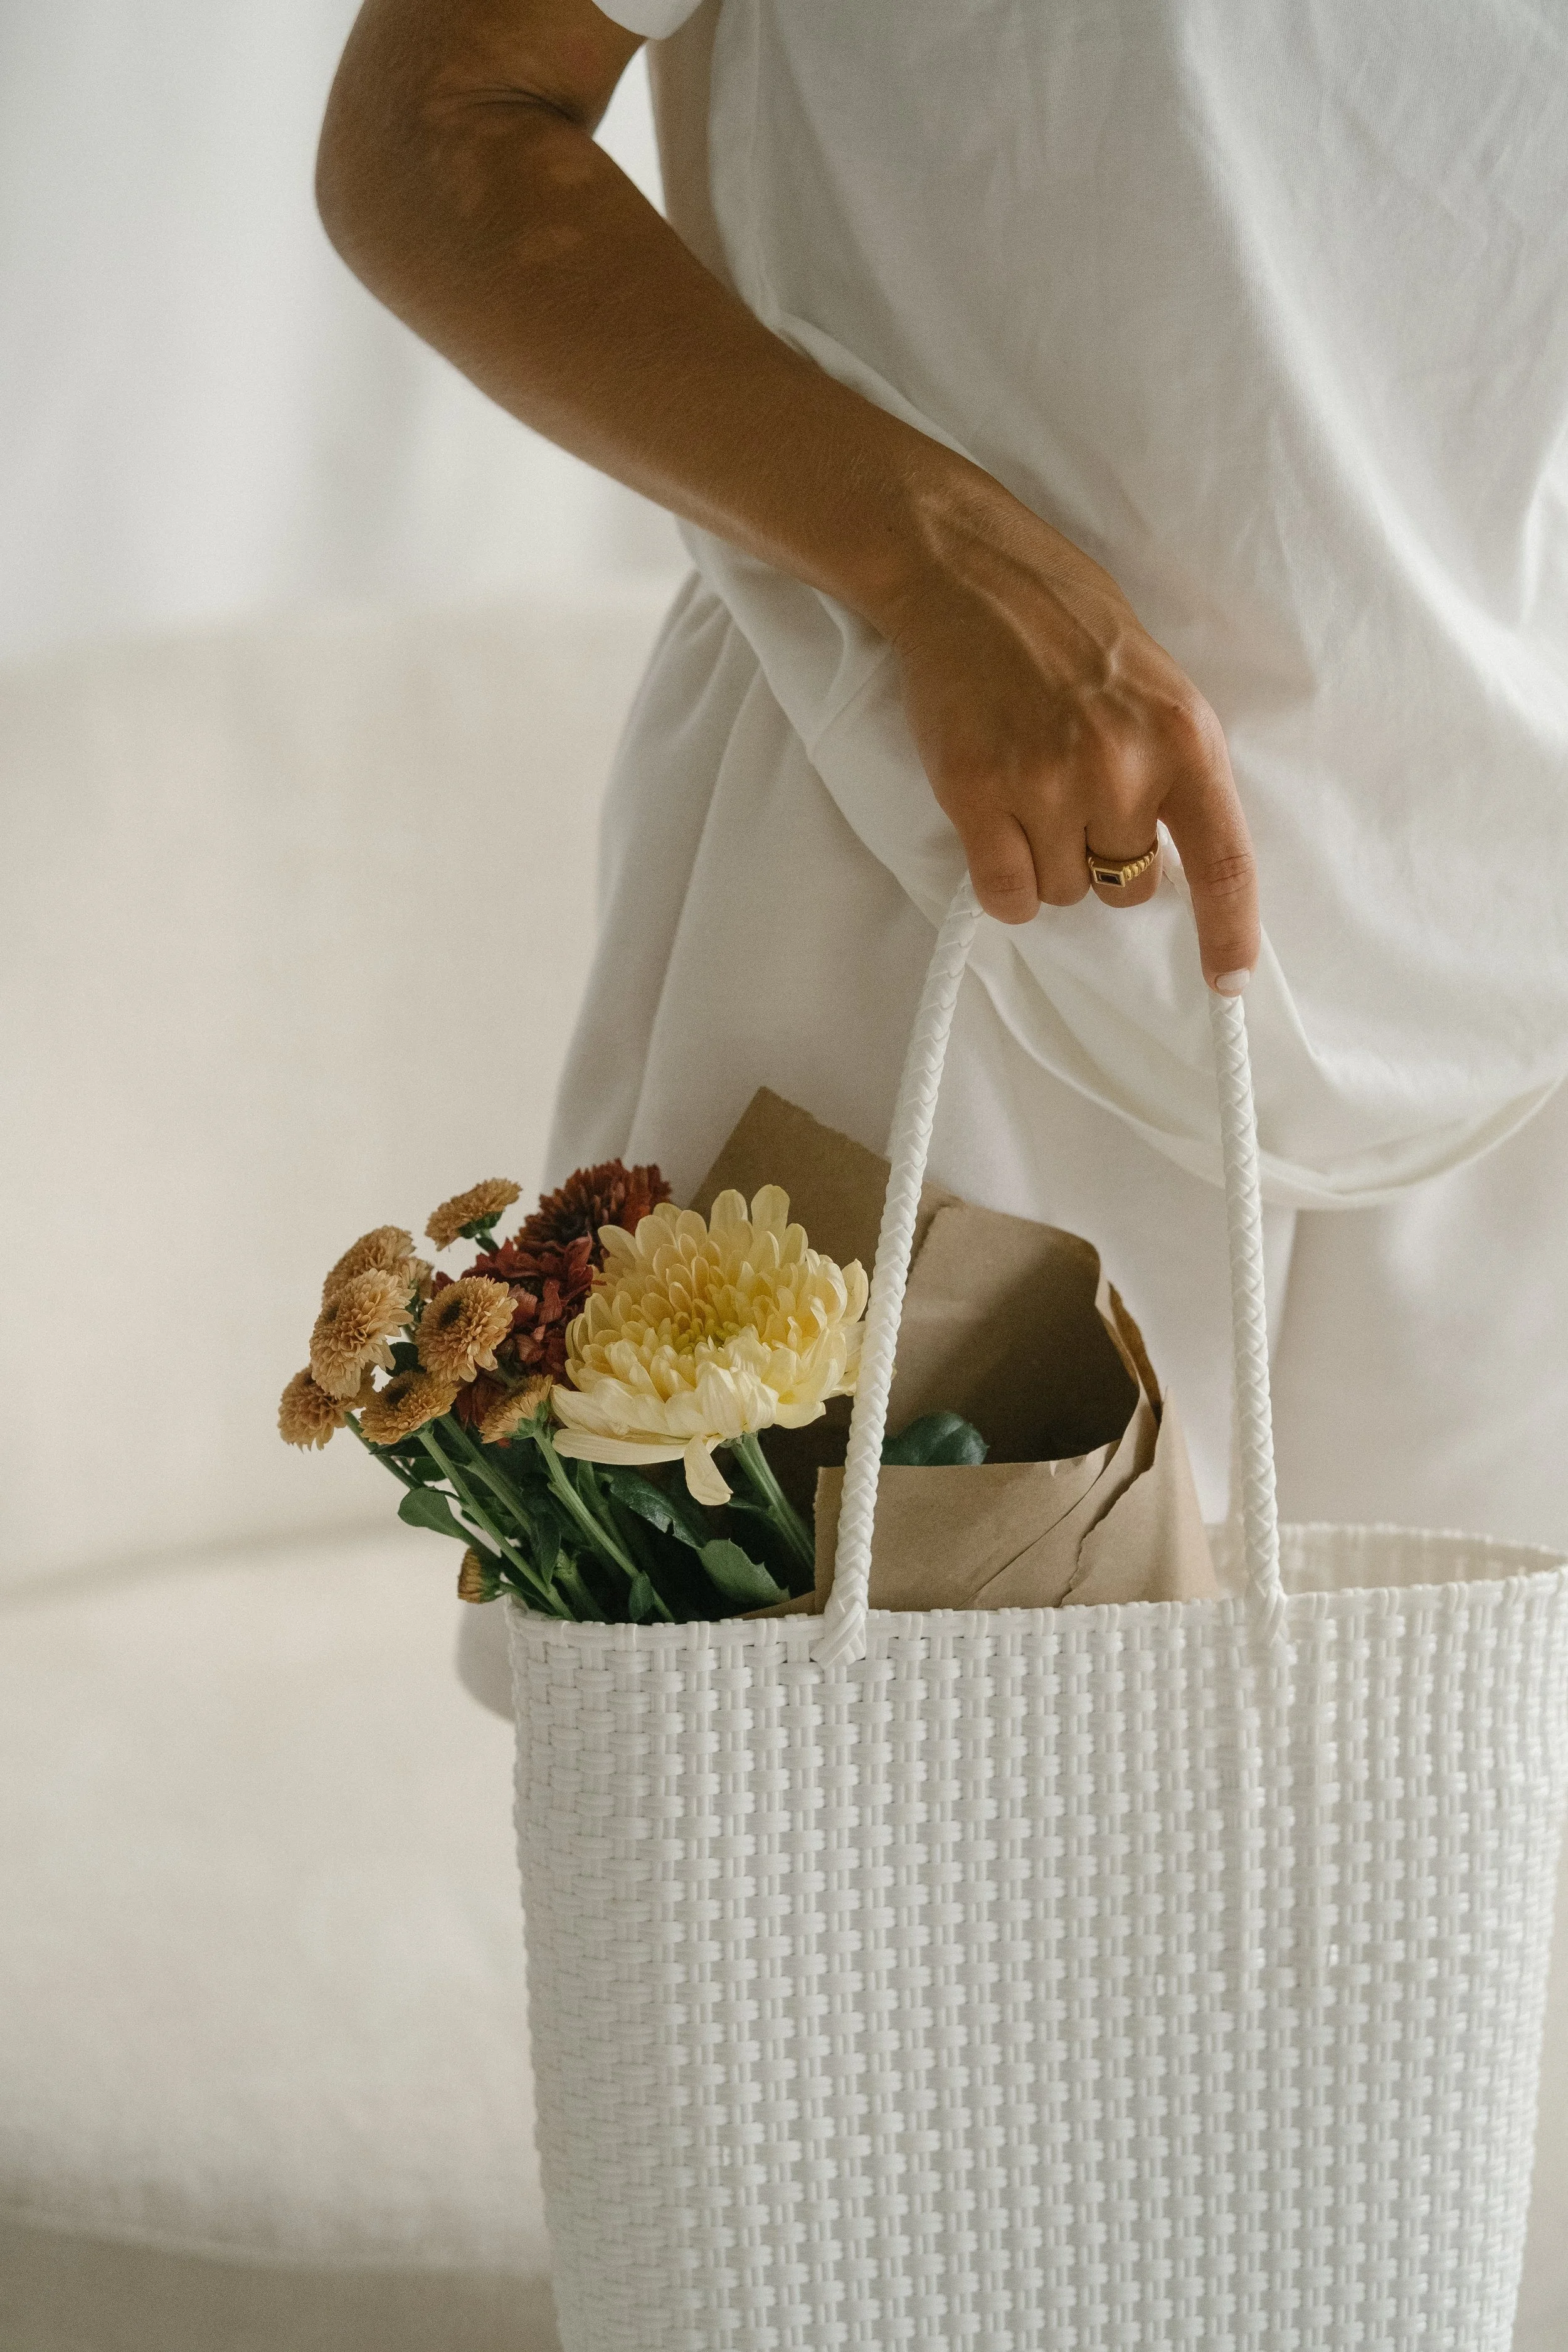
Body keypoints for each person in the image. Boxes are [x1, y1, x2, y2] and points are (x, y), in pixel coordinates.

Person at [316, 5, 1568, 2337]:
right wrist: (931, 551)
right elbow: (437, 128)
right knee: (888, 2157)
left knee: (1459, 2178)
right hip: (919, 902)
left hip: (1513, 1007)